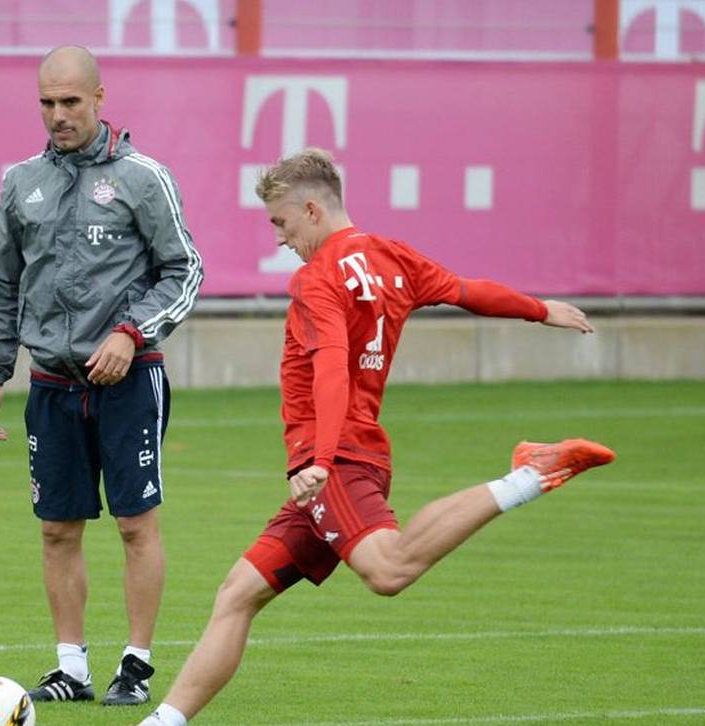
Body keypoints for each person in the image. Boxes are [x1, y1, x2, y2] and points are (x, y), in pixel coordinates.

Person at [138, 149, 615, 726]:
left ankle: (528, 475)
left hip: (334, 463)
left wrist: (318, 459)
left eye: (281, 223)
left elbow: (332, 369)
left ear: (312, 209)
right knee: (238, 594)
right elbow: (467, 291)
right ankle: (162, 722)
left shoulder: (316, 280)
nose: (280, 239)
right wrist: (539, 309)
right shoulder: (391, 256)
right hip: (345, 458)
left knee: (388, 570)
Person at [0, 45, 203, 708]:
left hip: (129, 382)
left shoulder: (142, 177)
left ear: (100, 97)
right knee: (56, 529)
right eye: (47, 103)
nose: (58, 115)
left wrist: (131, 334)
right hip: (50, 384)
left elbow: (184, 270)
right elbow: (2, 281)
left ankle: (135, 666)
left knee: (136, 524)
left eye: (70, 102)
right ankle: (70, 669)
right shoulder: (21, 182)